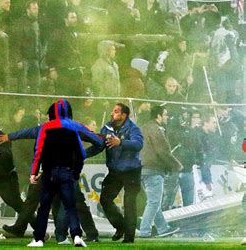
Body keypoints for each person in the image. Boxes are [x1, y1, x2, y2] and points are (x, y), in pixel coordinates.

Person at [27, 99, 93, 247]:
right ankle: (76, 236)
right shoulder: (72, 128)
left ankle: (38, 239)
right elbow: (81, 154)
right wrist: (75, 172)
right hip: (66, 172)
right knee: (70, 206)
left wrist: (34, 172)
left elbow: (38, 151)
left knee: (44, 207)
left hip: (49, 173)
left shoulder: (45, 128)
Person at [86, 103, 143, 243]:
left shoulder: (133, 128)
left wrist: (121, 142)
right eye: (113, 111)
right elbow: (99, 146)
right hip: (115, 171)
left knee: (129, 203)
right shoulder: (106, 128)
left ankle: (129, 238)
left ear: (124, 115)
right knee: (105, 199)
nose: (112, 113)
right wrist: (82, 154)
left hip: (132, 171)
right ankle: (121, 226)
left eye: (116, 111)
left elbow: (138, 144)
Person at [139, 105, 182, 238]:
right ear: (158, 116)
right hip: (154, 169)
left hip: (142, 168)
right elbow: (163, 151)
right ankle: (144, 231)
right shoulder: (156, 129)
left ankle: (163, 228)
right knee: (154, 202)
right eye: (165, 115)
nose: (167, 117)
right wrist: (177, 165)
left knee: (154, 200)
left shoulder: (143, 128)